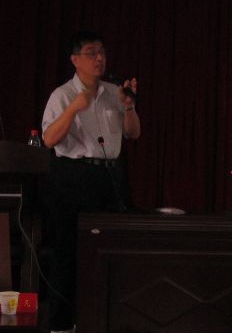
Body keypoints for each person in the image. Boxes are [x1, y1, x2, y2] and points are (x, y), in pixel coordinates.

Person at [41, 30, 140, 333]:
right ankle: (61, 324)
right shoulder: (62, 95)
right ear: (75, 60)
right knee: (68, 251)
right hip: (74, 177)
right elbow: (49, 139)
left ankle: (108, 321)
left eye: (102, 52)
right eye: (91, 52)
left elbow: (133, 133)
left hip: (110, 176)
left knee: (113, 249)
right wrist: (74, 108)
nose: (99, 58)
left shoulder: (113, 93)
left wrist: (129, 105)